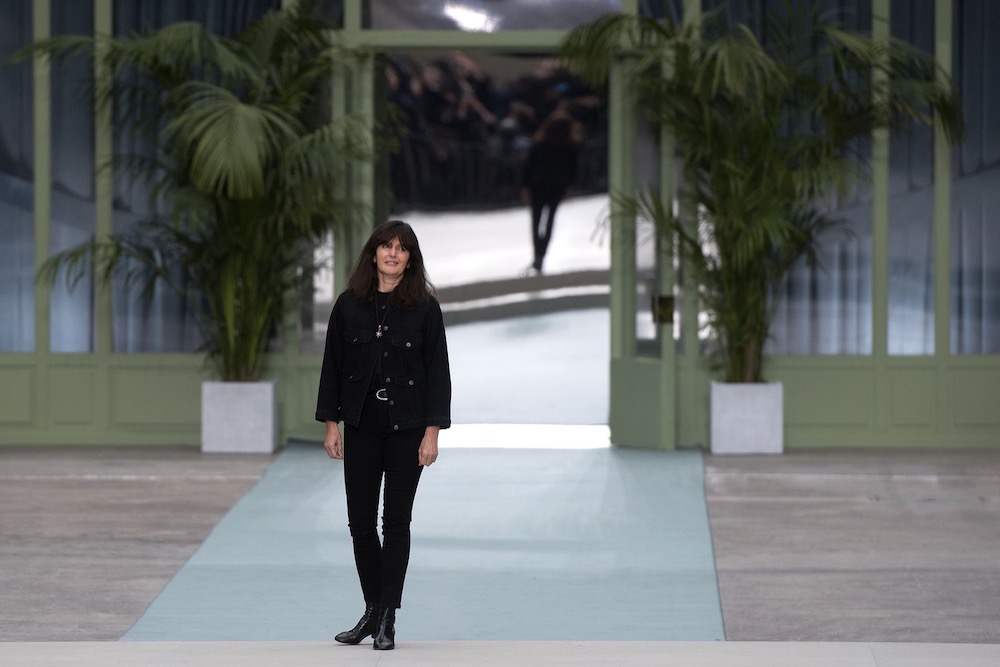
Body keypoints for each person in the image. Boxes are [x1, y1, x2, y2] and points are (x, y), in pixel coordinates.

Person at [316, 220, 451, 651]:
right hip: (360, 425)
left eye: (402, 248)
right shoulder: (348, 305)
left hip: (407, 428)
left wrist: (431, 435)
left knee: (395, 523)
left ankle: (387, 616)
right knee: (359, 522)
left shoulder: (425, 309)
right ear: (372, 253)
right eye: (385, 246)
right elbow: (332, 369)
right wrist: (331, 424)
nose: (393, 254)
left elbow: (438, 377)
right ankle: (372, 609)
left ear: (411, 259)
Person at [520, 112, 581, 275]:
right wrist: (569, 187)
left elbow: (529, 167)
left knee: (536, 221)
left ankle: (537, 254)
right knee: (549, 221)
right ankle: (542, 254)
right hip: (557, 187)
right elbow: (572, 170)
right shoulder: (570, 146)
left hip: (538, 186)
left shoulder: (540, 144)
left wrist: (525, 186)